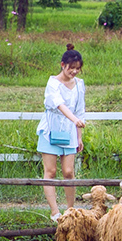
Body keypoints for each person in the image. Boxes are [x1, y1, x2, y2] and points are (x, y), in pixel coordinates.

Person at [39, 46, 86, 219]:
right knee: (50, 172)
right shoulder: (53, 84)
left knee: (68, 172)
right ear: (62, 65)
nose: (74, 71)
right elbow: (60, 105)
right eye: (71, 67)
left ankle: (70, 209)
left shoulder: (79, 85)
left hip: (70, 132)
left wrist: (79, 135)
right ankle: (54, 211)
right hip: (51, 130)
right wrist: (74, 120)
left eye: (77, 68)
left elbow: (80, 110)